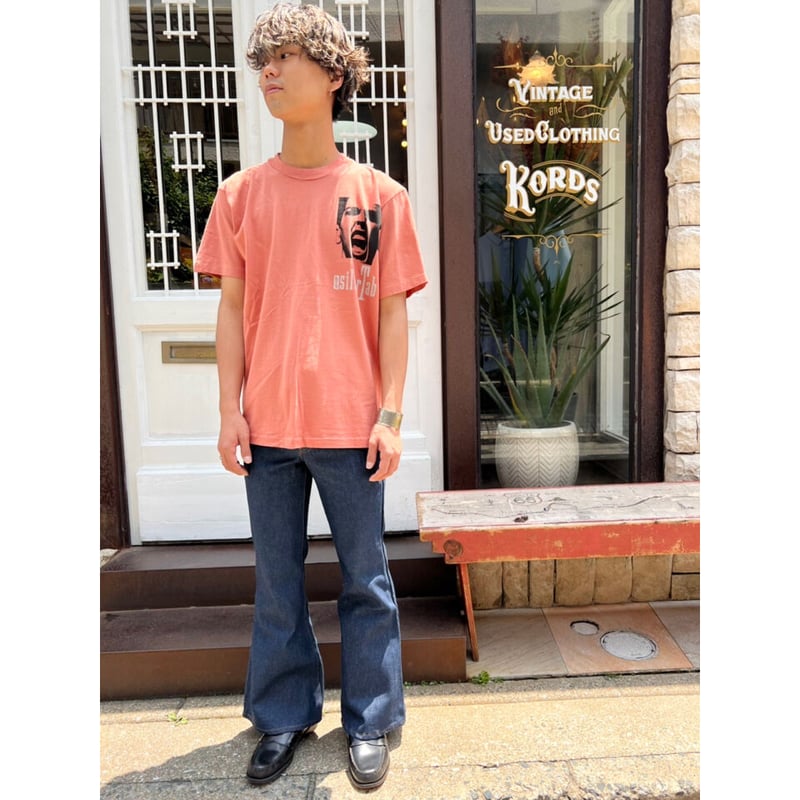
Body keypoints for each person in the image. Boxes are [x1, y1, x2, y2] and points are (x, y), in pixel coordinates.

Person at [193, 2, 428, 792]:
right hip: (267, 426)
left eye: (286, 56)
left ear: (332, 75)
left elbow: (392, 314)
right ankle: (284, 716)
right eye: (263, 59)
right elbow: (231, 311)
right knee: (276, 580)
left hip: (350, 424)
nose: (269, 71)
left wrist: (390, 415)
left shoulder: (378, 195)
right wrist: (229, 410)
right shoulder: (240, 196)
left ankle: (371, 719)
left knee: (366, 578)